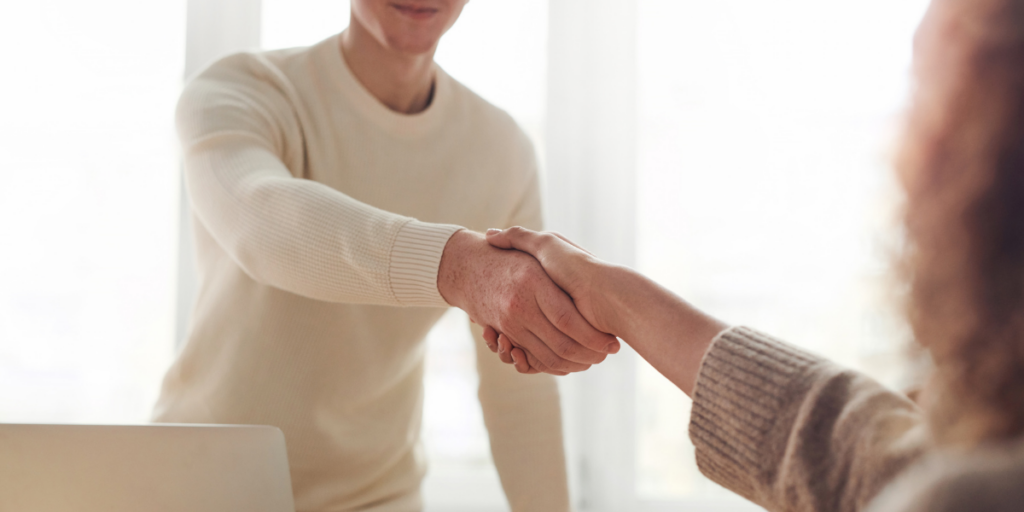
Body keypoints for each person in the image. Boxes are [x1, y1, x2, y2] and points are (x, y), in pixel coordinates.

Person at [481, 0, 1024, 510]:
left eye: (924, 96)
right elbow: (857, 450)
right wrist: (615, 296)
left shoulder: (968, 495)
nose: (899, 153)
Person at [152, 1, 618, 511]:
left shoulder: (500, 149)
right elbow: (263, 224)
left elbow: (518, 391)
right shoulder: (243, 89)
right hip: (196, 483)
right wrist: (456, 266)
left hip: (376, 497)